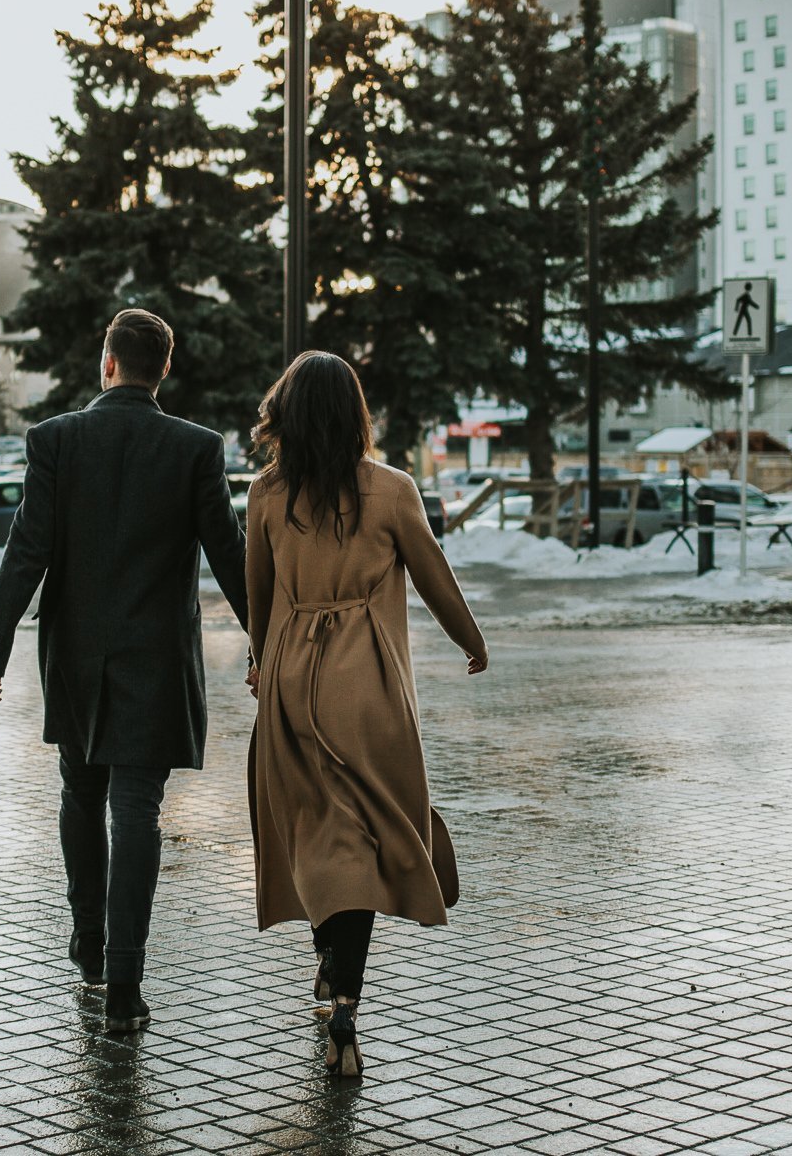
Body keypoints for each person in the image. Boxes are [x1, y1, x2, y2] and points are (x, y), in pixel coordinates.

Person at [0, 308, 248, 1034]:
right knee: (137, 814)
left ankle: (88, 940)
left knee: (80, 791)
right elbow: (231, 556)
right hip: (156, 659)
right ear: (164, 370)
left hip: (77, 657)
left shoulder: (56, 440)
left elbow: (27, 551)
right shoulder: (196, 448)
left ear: (108, 363)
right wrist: (269, 644)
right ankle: (125, 984)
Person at [242, 351, 487, 1077]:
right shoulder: (392, 489)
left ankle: (328, 960)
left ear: (286, 414)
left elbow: (259, 594)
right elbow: (435, 576)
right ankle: (345, 1002)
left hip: (292, 682)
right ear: (355, 414)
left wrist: (260, 659)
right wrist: (471, 641)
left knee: (314, 833)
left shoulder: (266, 493)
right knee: (363, 837)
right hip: (370, 685)